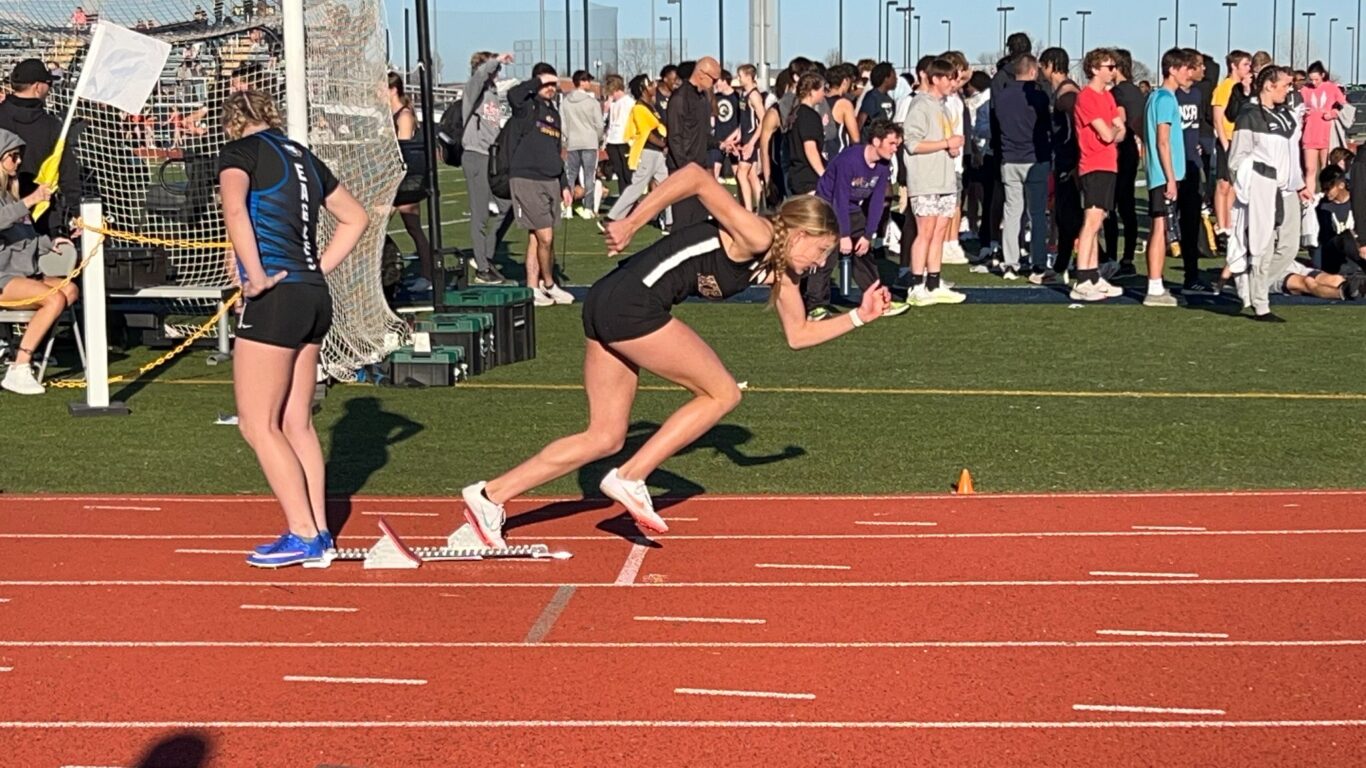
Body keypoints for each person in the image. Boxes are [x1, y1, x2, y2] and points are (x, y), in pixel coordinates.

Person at [457, 163, 892, 545]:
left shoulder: (778, 270)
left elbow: (798, 335)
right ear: (799, 233)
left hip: (609, 302)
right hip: (631, 303)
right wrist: (632, 221)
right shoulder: (758, 233)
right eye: (819, 251)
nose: (819, 263)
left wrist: (860, 318)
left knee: (605, 436)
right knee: (722, 393)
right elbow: (697, 177)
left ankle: (488, 496)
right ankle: (629, 477)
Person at [217, 90, 368, 567]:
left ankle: (303, 532)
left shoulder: (240, 153)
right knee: (295, 422)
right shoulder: (304, 156)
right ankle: (319, 529)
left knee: (257, 424)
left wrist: (254, 275)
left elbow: (235, 209)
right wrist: (319, 266)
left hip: (277, 295)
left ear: (232, 122)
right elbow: (356, 217)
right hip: (313, 294)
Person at [806, 119, 908, 319]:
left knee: (864, 255)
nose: (895, 149)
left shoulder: (883, 165)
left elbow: (878, 200)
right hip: (826, 207)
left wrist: (868, 235)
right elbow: (839, 198)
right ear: (876, 141)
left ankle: (878, 299)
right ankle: (815, 306)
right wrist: (844, 235)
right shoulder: (849, 160)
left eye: (898, 144)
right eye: (892, 143)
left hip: (851, 209)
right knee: (826, 255)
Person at [0, 130, 75, 396]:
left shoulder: (11, 195)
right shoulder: (14, 202)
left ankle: (24, 346)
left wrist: (50, 243)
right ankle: (20, 365)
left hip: (22, 273)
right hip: (2, 278)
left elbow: (25, 235)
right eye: (12, 157)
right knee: (54, 299)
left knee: (69, 290)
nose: (18, 163)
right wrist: (30, 201)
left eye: (18, 157)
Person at [1228, 66, 1305, 322]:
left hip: (1288, 189)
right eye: (1284, 85)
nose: (1289, 89)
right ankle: (1260, 304)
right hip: (1264, 189)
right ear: (1269, 85)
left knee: (1290, 247)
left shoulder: (1286, 115)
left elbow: (1293, 152)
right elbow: (1236, 159)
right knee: (1263, 248)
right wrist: (1255, 183)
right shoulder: (1249, 116)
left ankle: (1252, 285)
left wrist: (1300, 181)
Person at [507, 68, 575, 307]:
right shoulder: (527, 105)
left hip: (550, 179)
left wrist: (564, 184)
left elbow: (556, 151)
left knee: (537, 238)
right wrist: (537, 81)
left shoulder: (553, 113)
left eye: (554, 84)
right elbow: (513, 95)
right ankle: (549, 284)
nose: (551, 88)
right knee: (545, 236)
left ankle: (532, 287)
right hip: (527, 178)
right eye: (547, 84)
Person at [903, 58, 968, 307]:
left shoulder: (942, 106)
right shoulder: (920, 105)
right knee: (925, 232)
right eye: (950, 78)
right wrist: (945, 144)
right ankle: (917, 284)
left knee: (939, 232)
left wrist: (951, 147)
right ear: (936, 79)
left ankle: (933, 281)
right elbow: (912, 143)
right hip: (926, 180)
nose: (954, 84)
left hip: (944, 180)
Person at [0, 59, 80, 239]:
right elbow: (68, 172)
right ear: (37, 87)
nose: (49, 88)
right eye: (48, 83)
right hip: (42, 215)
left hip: (6, 213)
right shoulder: (51, 126)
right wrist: (78, 212)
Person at [1070, 48, 1126, 302]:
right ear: (1095, 69)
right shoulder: (1087, 97)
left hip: (1108, 164)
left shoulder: (1108, 97)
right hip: (1093, 165)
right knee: (1091, 220)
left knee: (1099, 220)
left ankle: (1093, 275)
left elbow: (1120, 131)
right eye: (1109, 67)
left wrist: (1115, 130)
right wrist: (1114, 130)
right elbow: (1107, 133)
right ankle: (1082, 278)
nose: (1113, 71)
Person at [1143, 49, 1193, 308]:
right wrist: (1171, 178)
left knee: (1161, 229)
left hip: (1162, 174)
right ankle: (1154, 286)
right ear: (1172, 69)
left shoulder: (1158, 97)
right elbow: (1163, 142)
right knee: (1160, 229)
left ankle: (1156, 282)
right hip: (1163, 176)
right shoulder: (1164, 99)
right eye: (1186, 69)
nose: (1190, 75)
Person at [460, 51, 516, 286]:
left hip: (491, 157)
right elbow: (481, 74)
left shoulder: (493, 94)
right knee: (480, 214)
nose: (498, 73)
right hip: (476, 155)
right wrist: (497, 60)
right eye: (496, 69)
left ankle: (486, 256)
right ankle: (482, 268)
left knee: (508, 205)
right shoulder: (474, 89)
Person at [995, 53, 1052, 281]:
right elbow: (1046, 126)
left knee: (1012, 212)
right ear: (1031, 71)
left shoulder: (1001, 96)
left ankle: (1010, 263)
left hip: (1009, 158)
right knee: (1037, 213)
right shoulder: (1038, 96)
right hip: (1034, 159)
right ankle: (1037, 263)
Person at [666, 57, 736, 228]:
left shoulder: (702, 98)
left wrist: (719, 144)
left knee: (700, 220)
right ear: (701, 74)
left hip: (700, 166)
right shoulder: (680, 98)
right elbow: (674, 137)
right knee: (683, 221)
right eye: (713, 79)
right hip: (682, 168)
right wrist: (686, 168)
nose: (714, 84)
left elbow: (703, 134)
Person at [605, 75, 671, 232]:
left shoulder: (651, 106)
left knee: (667, 185)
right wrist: (664, 144)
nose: (653, 86)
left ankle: (670, 221)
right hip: (648, 152)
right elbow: (647, 133)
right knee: (636, 187)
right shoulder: (639, 108)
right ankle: (612, 218)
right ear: (643, 89)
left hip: (658, 154)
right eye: (649, 84)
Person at [386, 73, 431, 291]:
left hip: (407, 181)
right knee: (409, 227)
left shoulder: (403, 115)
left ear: (393, 89)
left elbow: (403, 150)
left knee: (413, 227)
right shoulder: (389, 114)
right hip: (398, 180)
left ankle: (428, 275)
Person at [1040, 46, 1079, 285]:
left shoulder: (1068, 94)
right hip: (1062, 159)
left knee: (1070, 216)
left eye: (1043, 66)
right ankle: (1062, 264)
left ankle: (1091, 263)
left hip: (1070, 161)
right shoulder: (1059, 93)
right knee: (1063, 215)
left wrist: (1077, 160)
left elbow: (1080, 125)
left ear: (1051, 65)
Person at [1106, 49, 1146, 277]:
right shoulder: (1137, 93)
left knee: (1110, 205)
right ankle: (1128, 257)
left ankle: (1111, 256)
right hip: (1131, 152)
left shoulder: (1118, 93)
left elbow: (1119, 121)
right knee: (1128, 205)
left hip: (1118, 151)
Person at [1212, 51, 1252, 249]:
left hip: (1240, 141)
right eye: (1245, 64)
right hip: (1227, 140)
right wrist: (1224, 142)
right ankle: (1222, 225)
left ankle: (1230, 223)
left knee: (1235, 185)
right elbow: (1218, 117)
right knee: (1223, 184)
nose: (1248, 68)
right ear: (1234, 66)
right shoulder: (1225, 87)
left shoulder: (1243, 88)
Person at [562, 70, 605, 219]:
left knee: (570, 176)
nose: (590, 83)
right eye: (588, 81)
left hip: (572, 143)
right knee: (589, 176)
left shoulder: (566, 102)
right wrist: (598, 139)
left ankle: (567, 207)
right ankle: (588, 208)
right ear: (582, 82)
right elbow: (599, 125)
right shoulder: (592, 102)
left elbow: (563, 125)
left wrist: (566, 140)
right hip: (589, 143)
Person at [1300, 61, 1346, 198]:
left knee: (1327, 168)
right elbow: (1298, 107)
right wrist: (1303, 113)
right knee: (1310, 169)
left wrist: (1332, 114)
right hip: (1309, 133)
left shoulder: (1332, 88)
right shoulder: (1305, 90)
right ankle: (1309, 199)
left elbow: (1344, 106)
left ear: (1323, 75)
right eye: (1311, 79)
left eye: (1316, 79)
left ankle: (1327, 197)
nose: (1314, 82)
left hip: (1326, 133)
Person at [784, 72, 827, 196]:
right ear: (812, 92)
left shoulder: (794, 113)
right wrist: (823, 175)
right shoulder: (809, 115)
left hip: (795, 173)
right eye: (822, 89)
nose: (824, 93)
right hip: (808, 177)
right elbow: (810, 148)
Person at [735, 64, 767, 212]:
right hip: (745, 137)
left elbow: (763, 120)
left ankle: (748, 210)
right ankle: (761, 209)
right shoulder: (743, 94)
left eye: (740, 76)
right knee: (753, 175)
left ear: (748, 77)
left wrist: (752, 143)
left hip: (751, 139)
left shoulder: (754, 96)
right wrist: (736, 137)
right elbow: (745, 120)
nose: (738, 79)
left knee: (741, 173)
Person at [603, 74, 635, 194]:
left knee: (628, 173)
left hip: (625, 141)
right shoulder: (613, 104)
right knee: (620, 173)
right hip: (612, 141)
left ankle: (631, 200)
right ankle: (623, 199)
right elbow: (608, 122)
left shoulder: (630, 102)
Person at [711, 70, 741, 184]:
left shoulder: (737, 98)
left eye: (717, 81)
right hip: (719, 141)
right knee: (714, 174)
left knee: (739, 175)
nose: (715, 85)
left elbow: (742, 122)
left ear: (724, 81)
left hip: (734, 142)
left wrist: (733, 138)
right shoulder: (715, 97)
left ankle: (742, 201)